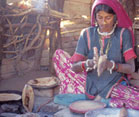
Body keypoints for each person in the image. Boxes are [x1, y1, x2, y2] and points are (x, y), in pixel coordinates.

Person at [52, 0, 137, 102]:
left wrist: (111, 65)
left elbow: (131, 68)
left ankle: (99, 98)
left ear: (115, 17)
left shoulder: (123, 34)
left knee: (135, 99)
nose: (103, 22)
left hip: (114, 84)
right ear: (95, 17)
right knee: (58, 55)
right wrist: (88, 63)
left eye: (108, 18)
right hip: (89, 82)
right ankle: (102, 99)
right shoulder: (87, 34)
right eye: (100, 17)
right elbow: (74, 67)